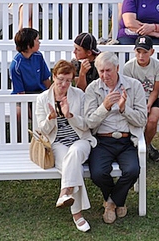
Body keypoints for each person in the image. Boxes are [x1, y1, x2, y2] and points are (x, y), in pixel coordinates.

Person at [84, 52, 147, 224]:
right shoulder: (93, 89)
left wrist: (124, 109)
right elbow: (89, 122)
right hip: (102, 141)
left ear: (117, 68)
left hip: (126, 140)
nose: (105, 75)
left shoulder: (134, 86)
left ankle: (111, 203)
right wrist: (104, 107)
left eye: (108, 70)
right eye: (101, 71)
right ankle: (118, 200)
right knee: (98, 174)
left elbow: (142, 120)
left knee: (132, 170)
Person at [34, 59, 95, 232]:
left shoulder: (79, 95)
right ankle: (77, 214)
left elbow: (86, 125)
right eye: (61, 79)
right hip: (57, 142)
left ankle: (64, 193)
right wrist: (50, 118)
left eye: (68, 80)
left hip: (80, 140)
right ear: (54, 77)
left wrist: (70, 115)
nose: (64, 84)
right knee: (74, 167)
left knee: (74, 152)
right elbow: (43, 130)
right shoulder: (43, 99)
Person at [121, 36, 159, 163]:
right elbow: (129, 90)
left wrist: (149, 104)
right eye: (138, 52)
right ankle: (134, 146)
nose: (141, 56)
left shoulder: (158, 66)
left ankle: (146, 145)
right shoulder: (128, 67)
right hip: (134, 99)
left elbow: (155, 90)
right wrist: (140, 105)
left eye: (145, 52)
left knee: (152, 119)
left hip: (151, 97)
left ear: (152, 52)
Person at [9, 27, 51, 94]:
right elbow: (20, 93)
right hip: (25, 97)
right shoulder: (15, 66)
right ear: (28, 45)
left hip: (41, 94)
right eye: (37, 40)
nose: (39, 42)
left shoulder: (38, 56)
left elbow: (46, 80)